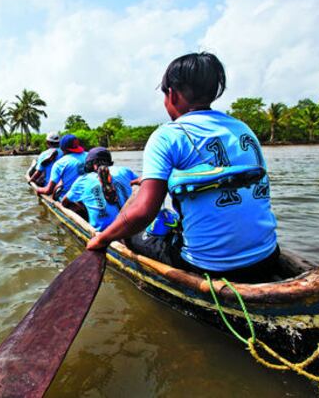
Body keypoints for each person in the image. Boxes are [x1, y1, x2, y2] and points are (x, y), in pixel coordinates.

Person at [86, 52, 280, 283]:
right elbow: (212, 173)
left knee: (132, 234)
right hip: (269, 256)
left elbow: (143, 212)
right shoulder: (243, 128)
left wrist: (102, 239)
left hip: (210, 267)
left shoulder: (168, 135)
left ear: (172, 94)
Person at [61, 147, 139, 231]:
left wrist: (83, 207)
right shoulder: (124, 170)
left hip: (103, 232)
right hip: (133, 226)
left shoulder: (82, 180)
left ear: (92, 164)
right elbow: (140, 184)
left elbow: (64, 203)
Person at [35, 135, 87, 200]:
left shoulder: (60, 163)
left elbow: (48, 191)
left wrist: (38, 189)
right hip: (88, 197)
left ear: (62, 148)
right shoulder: (88, 155)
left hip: (67, 199)